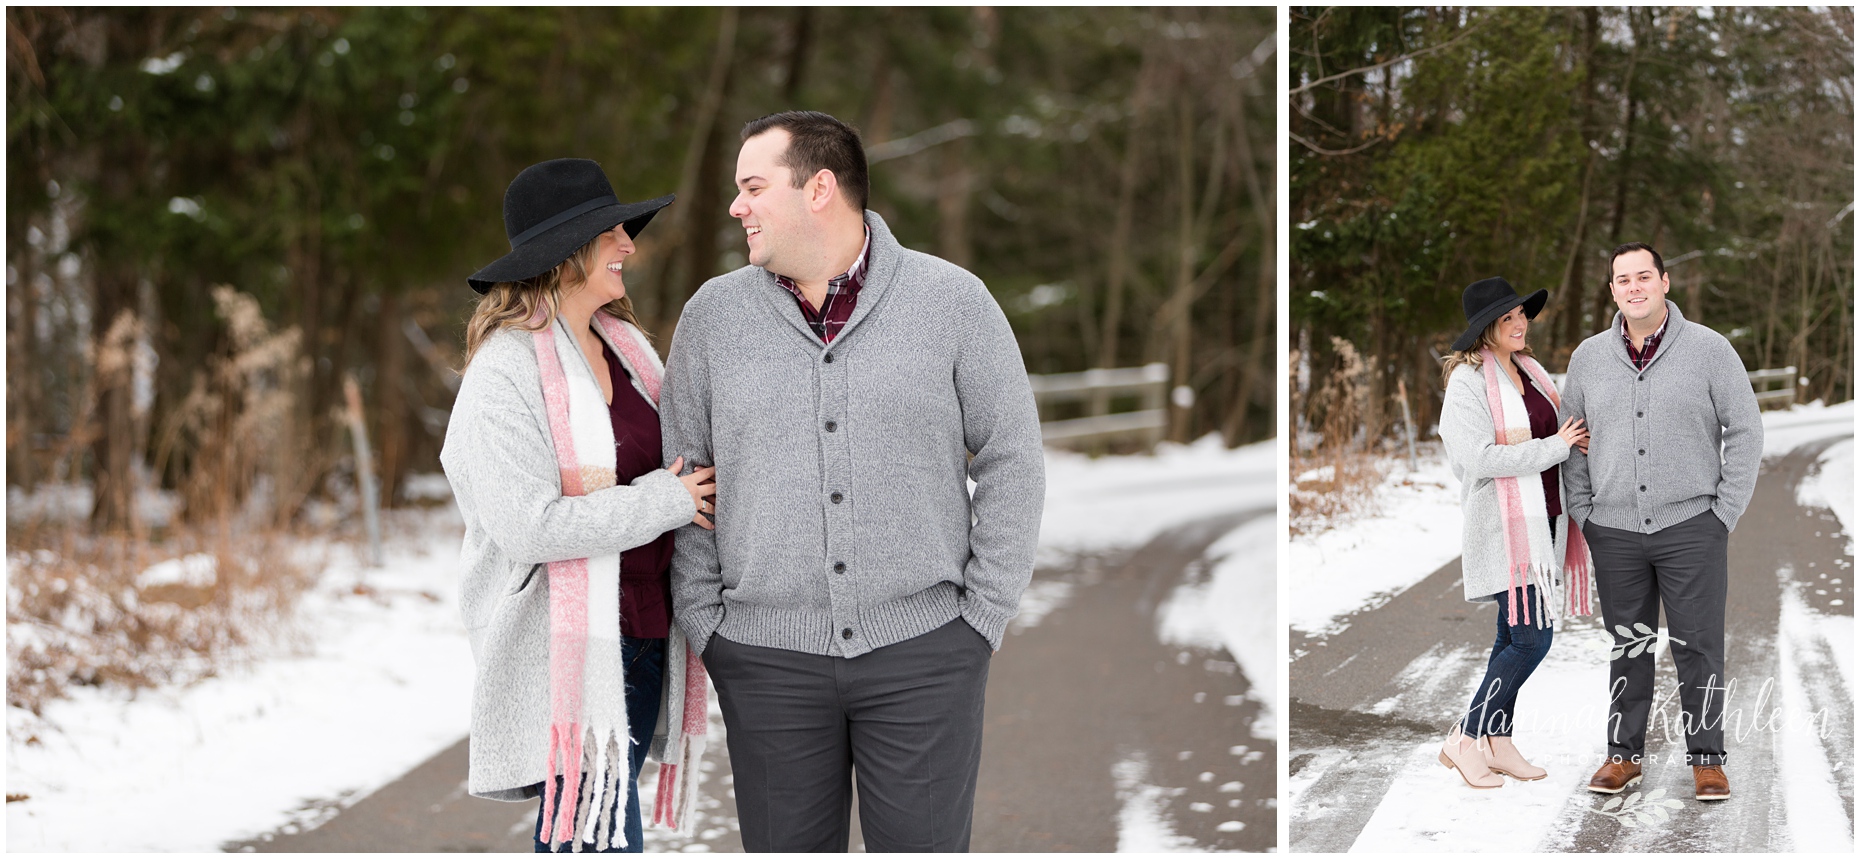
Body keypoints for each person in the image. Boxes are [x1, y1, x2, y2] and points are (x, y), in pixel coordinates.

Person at [659, 110, 1045, 852]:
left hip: (927, 653)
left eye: (753, 187)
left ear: (820, 188)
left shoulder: (954, 303)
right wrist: (710, 625)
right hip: (765, 662)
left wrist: (980, 617)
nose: (737, 206)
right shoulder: (713, 318)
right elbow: (687, 475)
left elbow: (1013, 455)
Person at [441, 158, 719, 852]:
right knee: (595, 843)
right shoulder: (503, 373)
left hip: (646, 636)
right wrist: (667, 500)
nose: (629, 244)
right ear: (567, 254)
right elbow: (528, 525)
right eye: (612, 233)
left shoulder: (624, 349)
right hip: (568, 651)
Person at [1563, 242, 1762, 802]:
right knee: (1628, 644)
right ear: (1612, 291)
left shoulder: (1710, 350)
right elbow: (1573, 436)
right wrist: (1585, 512)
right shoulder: (1589, 358)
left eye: (1643, 276)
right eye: (1622, 279)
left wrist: (1723, 512)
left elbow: (1745, 429)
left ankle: (1707, 760)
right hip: (1615, 531)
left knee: (1698, 645)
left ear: (1665, 282)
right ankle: (1623, 757)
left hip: (1692, 526)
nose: (1634, 287)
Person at [1436, 276, 1595, 789]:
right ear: (1485, 329)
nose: (1520, 323)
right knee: (1532, 641)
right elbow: (1478, 459)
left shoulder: (1530, 370)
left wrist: (1577, 442)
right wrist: (1556, 447)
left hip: (1546, 524)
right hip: (1505, 529)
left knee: (1511, 635)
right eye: (1508, 318)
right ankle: (1465, 737)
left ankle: (1498, 743)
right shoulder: (1466, 384)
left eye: (1522, 314)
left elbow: (1560, 430)